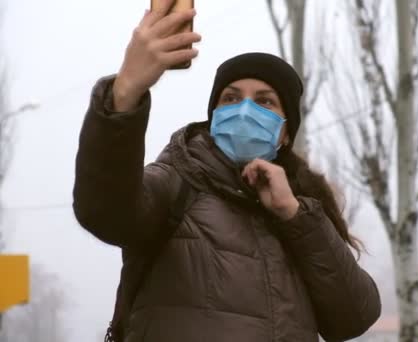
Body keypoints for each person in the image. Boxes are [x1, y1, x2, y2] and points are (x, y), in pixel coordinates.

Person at [72, 1, 381, 341]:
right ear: (214, 115)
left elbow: (354, 318)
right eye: (231, 98)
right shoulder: (177, 180)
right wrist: (125, 92)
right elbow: (105, 211)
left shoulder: (299, 210)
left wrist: (294, 215)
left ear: (286, 132)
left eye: (264, 101)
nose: (245, 110)